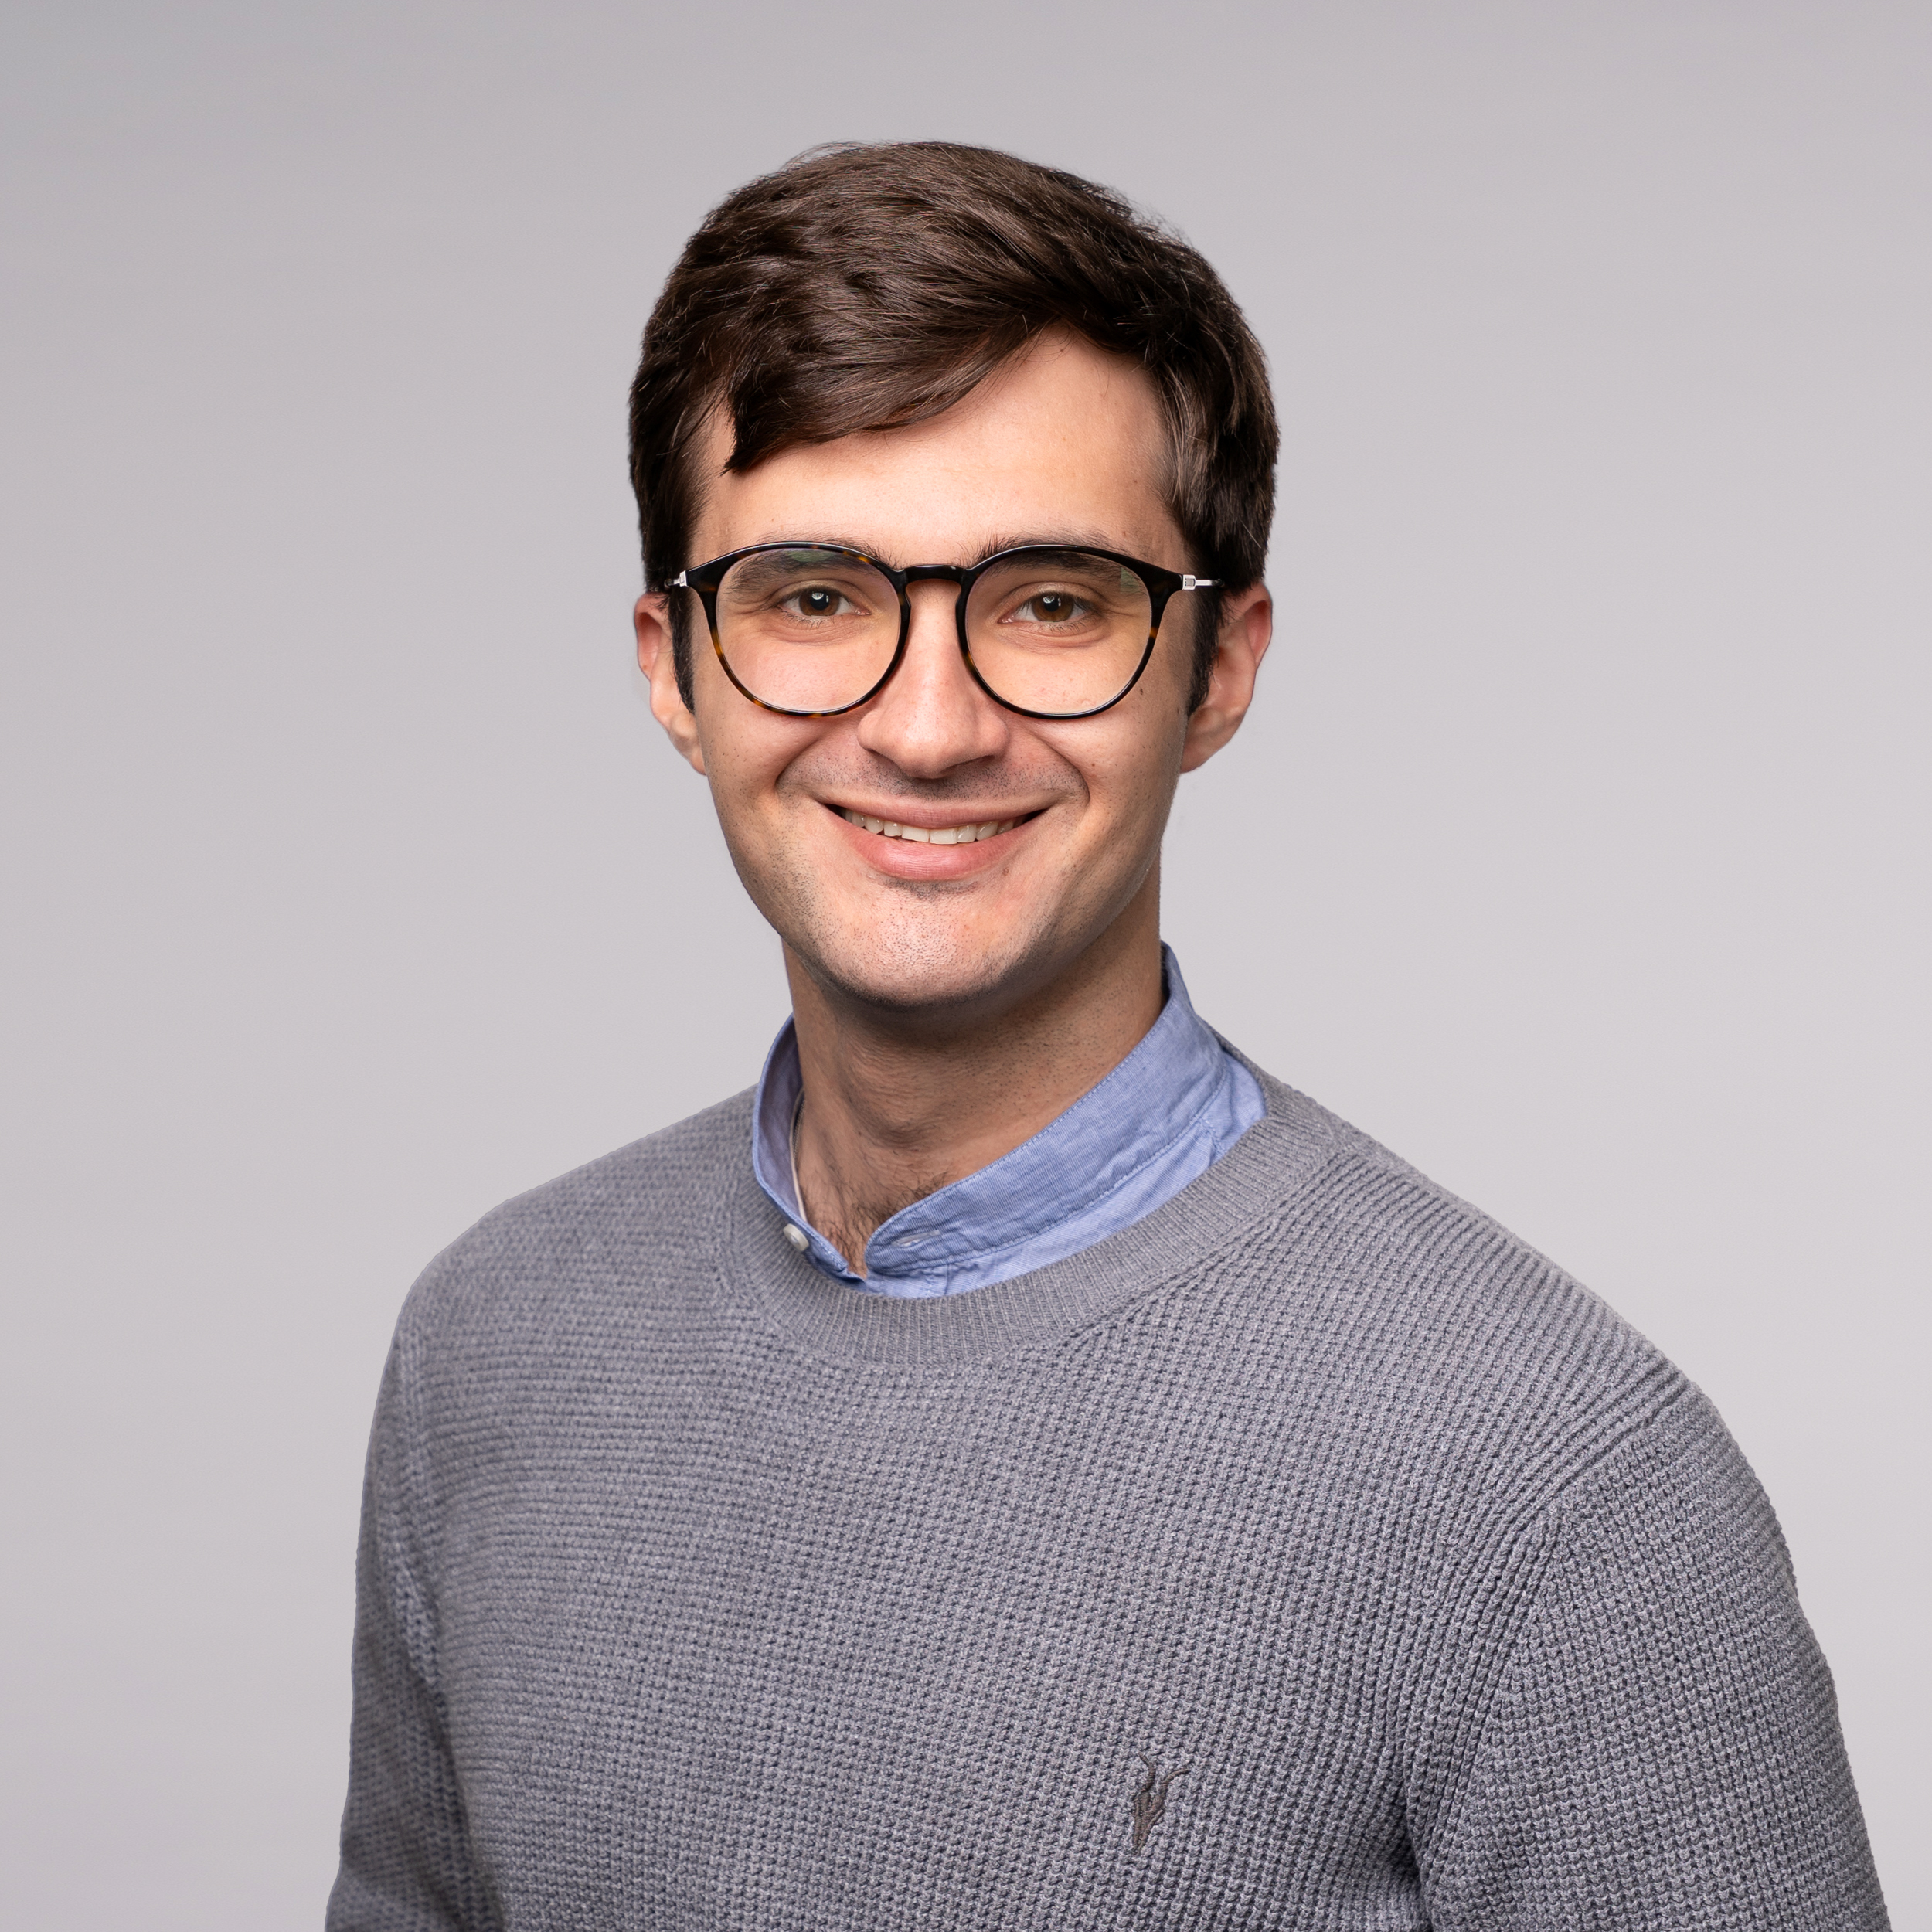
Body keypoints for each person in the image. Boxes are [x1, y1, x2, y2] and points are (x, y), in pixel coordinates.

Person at [328, 143, 1887, 1930]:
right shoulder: (493, 1346)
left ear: (1215, 671)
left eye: (1051, 600)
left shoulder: (1556, 1478)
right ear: (671, 666)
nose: (926, 727)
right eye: (813, 596)